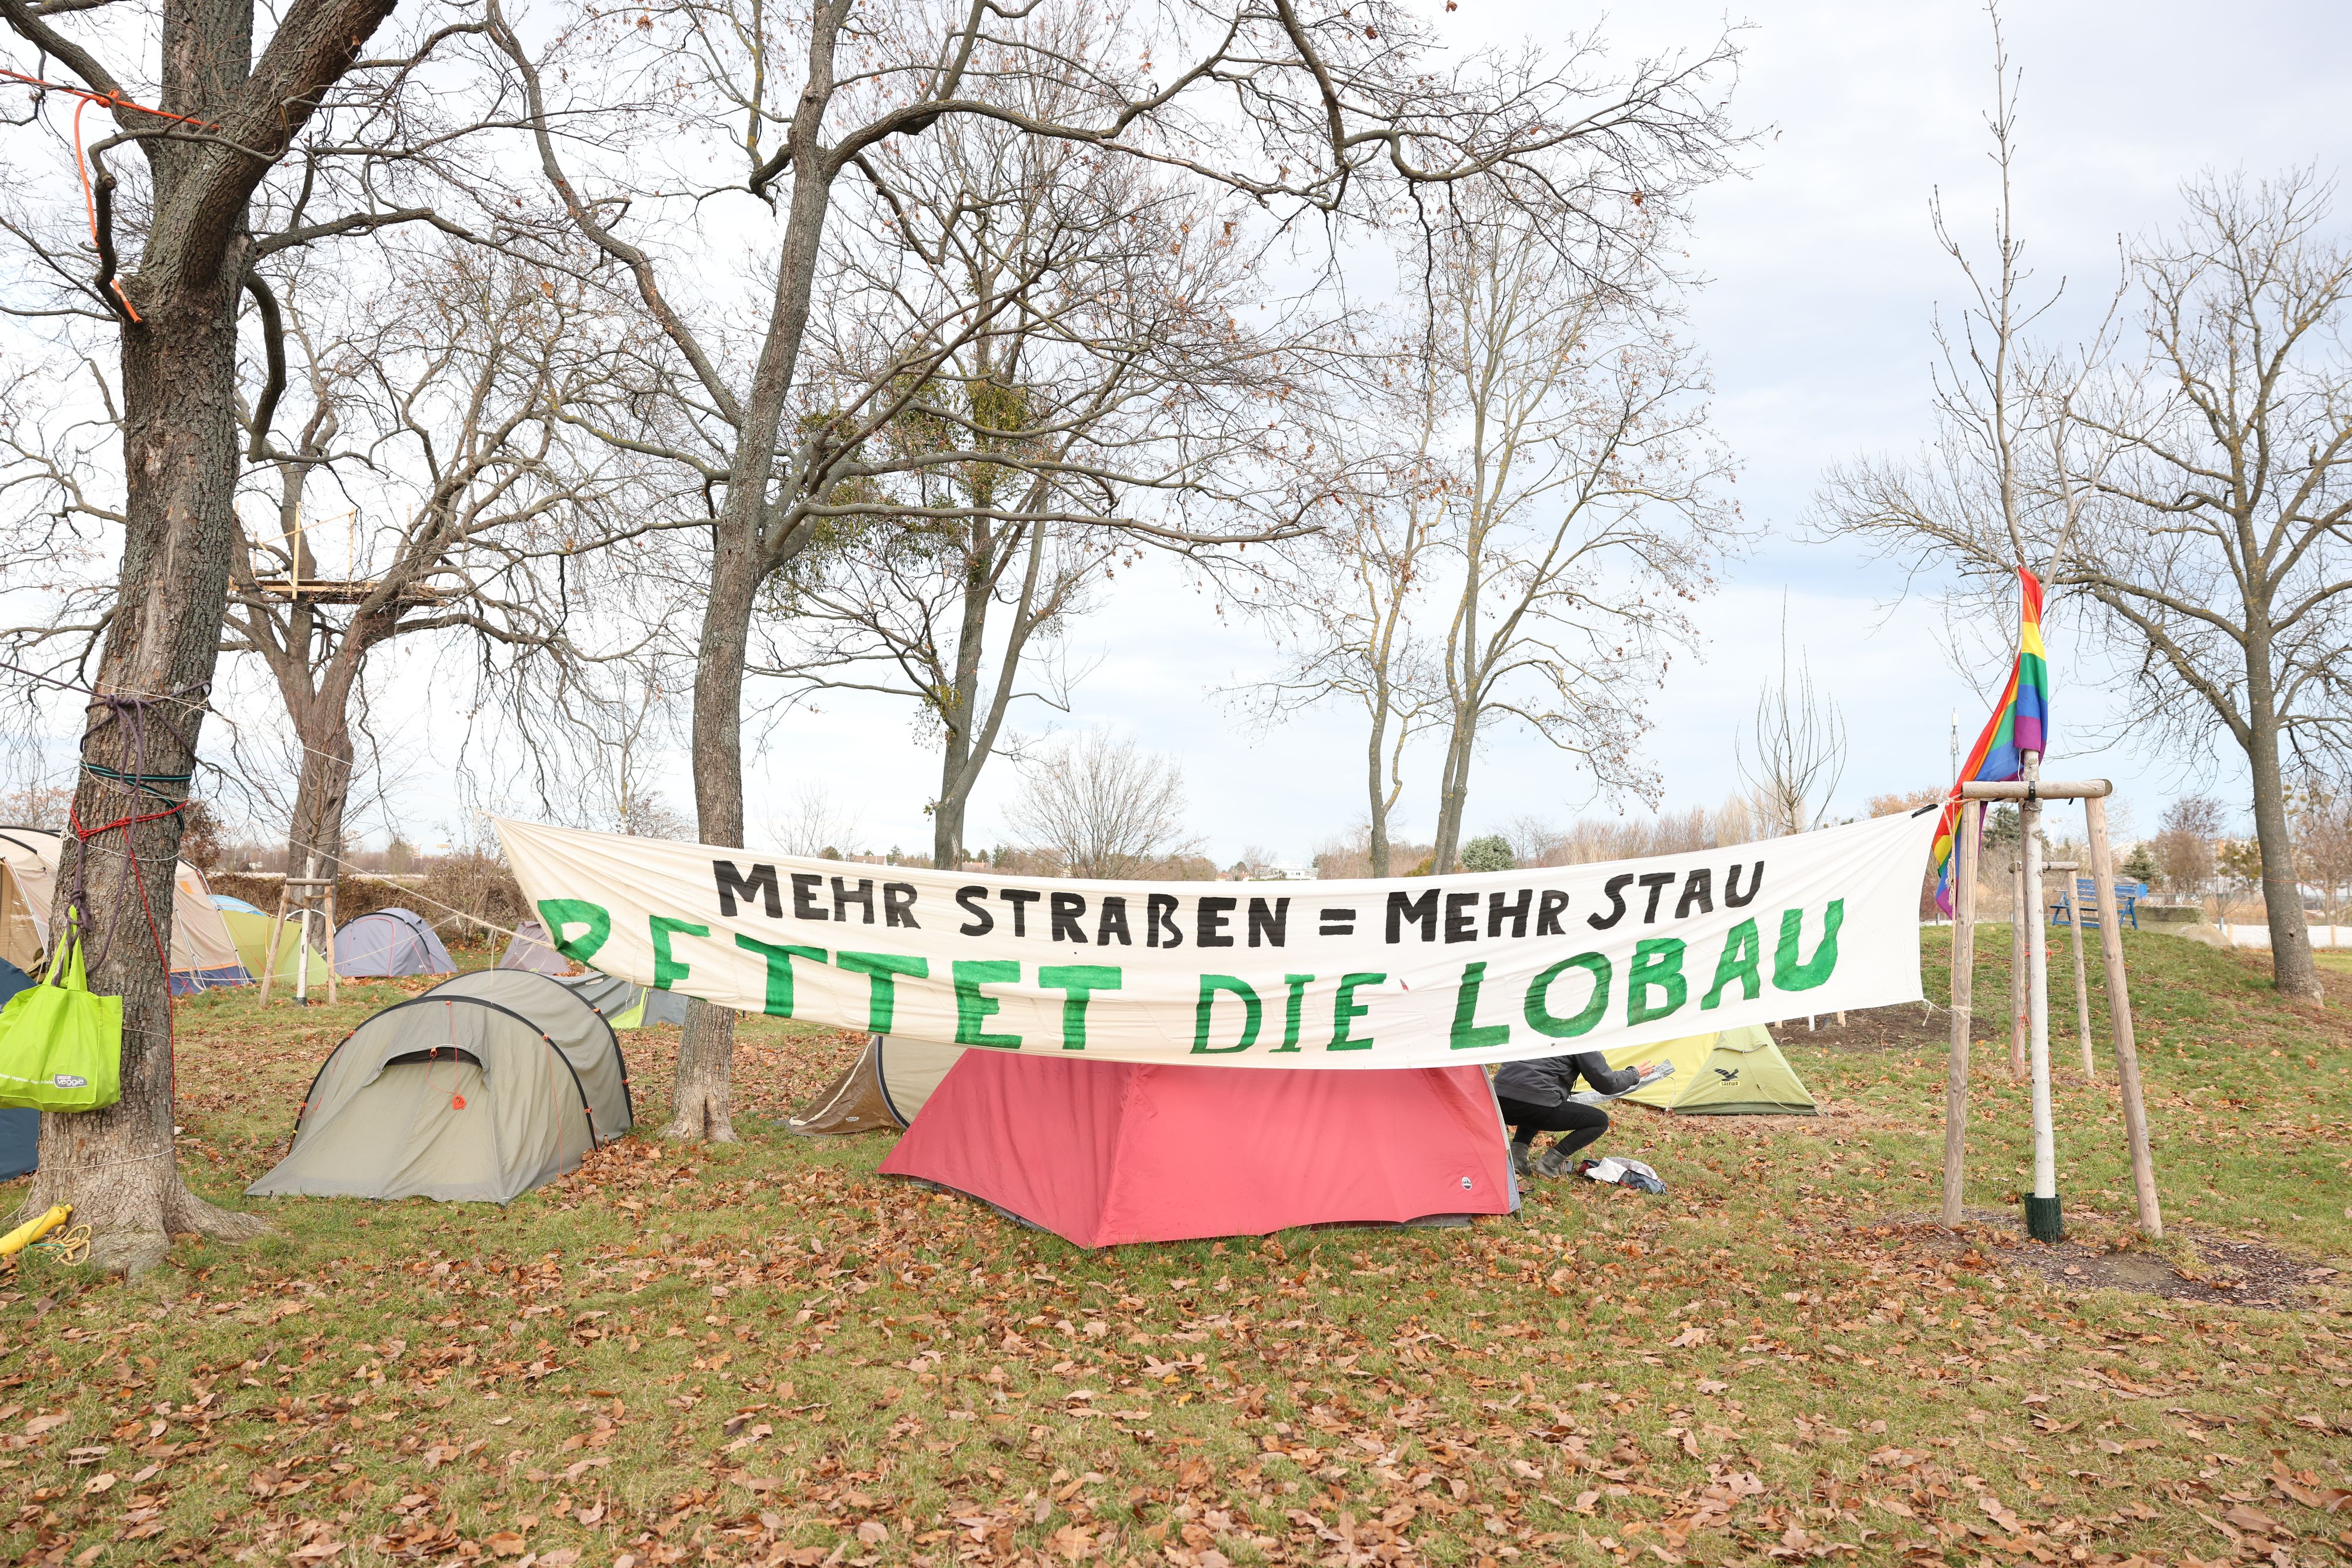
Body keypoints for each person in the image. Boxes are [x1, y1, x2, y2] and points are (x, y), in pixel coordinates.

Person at [1492, 1051, 1656, 1179]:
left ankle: (1517, 1159)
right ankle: (1548, 1165)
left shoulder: (1537, 1028)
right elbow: (1607, 1084)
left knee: (1535, 1099)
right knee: (1599, 1121)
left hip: (1499, 1101)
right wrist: (1633, 1074)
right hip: (1537, 1105)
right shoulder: (1580, 1037)